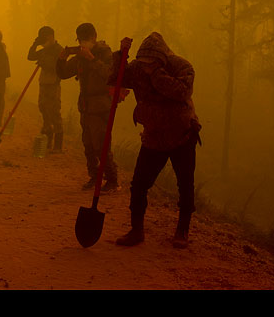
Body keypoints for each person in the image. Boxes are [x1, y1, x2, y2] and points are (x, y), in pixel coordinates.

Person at [109, 32, 201, 249]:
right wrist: (121, 56)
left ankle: (182, 231)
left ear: (161, 59)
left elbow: (182, 92)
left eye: (151, 62)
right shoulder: (138, 68)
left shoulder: (182, 67)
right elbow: (116, 79)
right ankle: (136, 230)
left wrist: (156, 75)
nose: (146, 66)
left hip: (183, 136)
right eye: (144, 62)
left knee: (185, 185)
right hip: (153, 136)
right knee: (139, 184)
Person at [56, 23, 120, 192]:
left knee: (101, 144)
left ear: (94, 37)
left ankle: (112, 179)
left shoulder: (105, 53)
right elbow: (63, 73)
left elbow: (110, 74)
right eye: (80, 40)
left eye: (86, 39)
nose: (83, 43)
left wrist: (92, 59)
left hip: (101, 107)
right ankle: (94, 176)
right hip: (85, 106)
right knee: (88, 144)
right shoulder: (80, 56)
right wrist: (61, 58)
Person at [28, 26, 64, 153]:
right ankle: (47, 138)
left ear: (51, 36)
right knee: (43, 108)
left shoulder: (59, 50)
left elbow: (57, 67)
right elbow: (30, 56)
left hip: (53, 84)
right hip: (43, 83)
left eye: (45, 38)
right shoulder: (44, 50)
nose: (43, 41)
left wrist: (44, 62)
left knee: (54, 111)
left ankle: (58, 144)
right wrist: (35, 44)